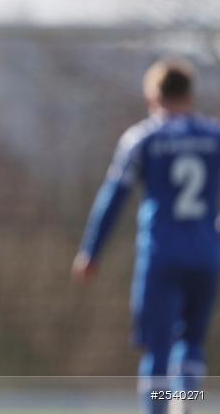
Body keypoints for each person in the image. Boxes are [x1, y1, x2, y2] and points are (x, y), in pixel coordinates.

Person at [72, 58, 220, 414]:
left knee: (157, 348)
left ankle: (157, 409)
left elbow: (113, 196)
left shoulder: (143, 138)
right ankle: (184, 402)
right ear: (190, 94)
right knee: (192, 341)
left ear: (153, 96)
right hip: (206, 253)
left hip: (161, 255)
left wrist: (91, 251)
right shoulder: (215, 136)